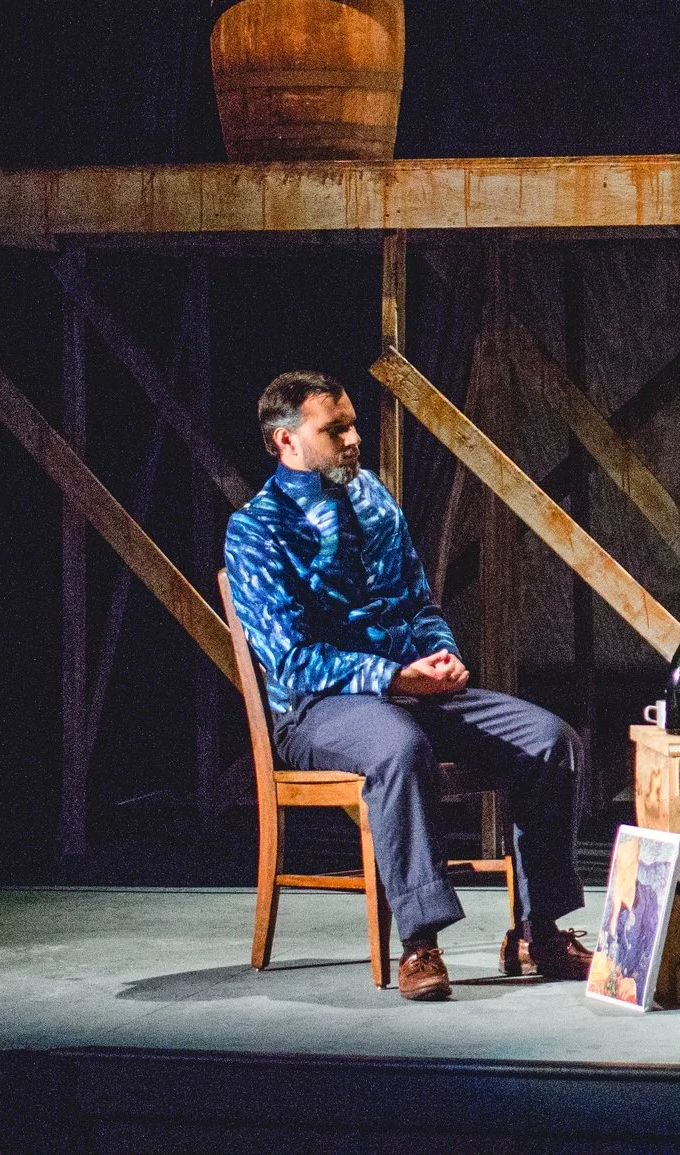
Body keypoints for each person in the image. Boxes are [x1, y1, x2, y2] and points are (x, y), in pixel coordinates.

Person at [223, 370, 591, 999]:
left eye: (352, 423)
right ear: (284, 442)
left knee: (549, 739)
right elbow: (290, 660)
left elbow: (419, 604)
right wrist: (394, 675)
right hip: (321, 707)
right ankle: (420, 944)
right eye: (334, 429)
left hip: (410, 690)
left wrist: (441, 656)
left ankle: (540, 930)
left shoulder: (374, 500)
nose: (353, 438)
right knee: (399, 748)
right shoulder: (257, 531)